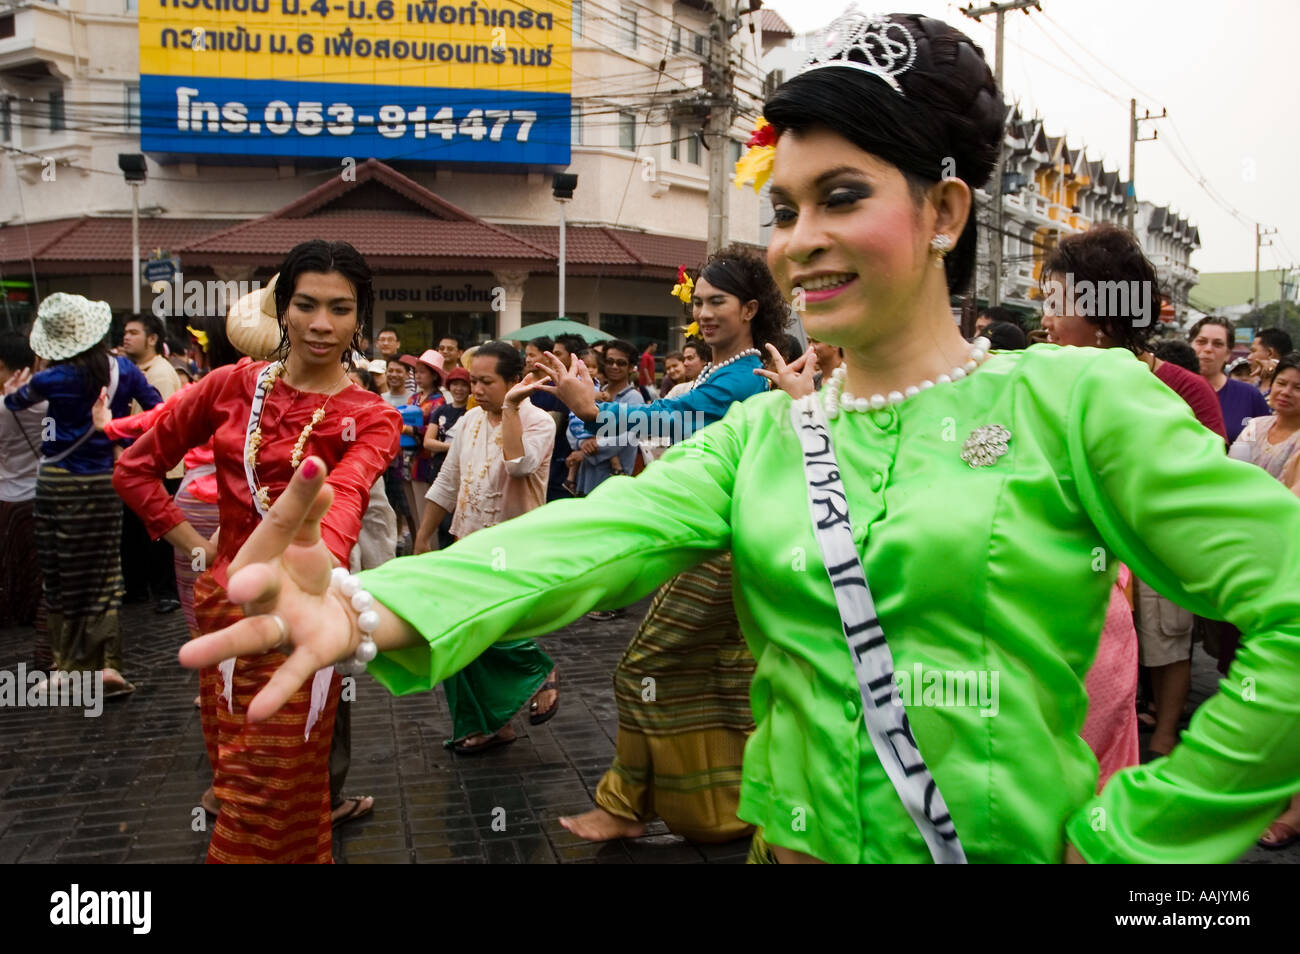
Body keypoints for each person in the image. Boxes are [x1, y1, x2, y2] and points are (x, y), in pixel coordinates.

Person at [180, 12, 1300, 865]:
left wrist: (1132, 837)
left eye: (843, 196)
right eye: (784, 206)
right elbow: (585, 537)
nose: (799, 241)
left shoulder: (1073, 404)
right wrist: (373, 609)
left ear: (946, 215)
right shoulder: (763, 437)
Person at [114, 240, 401, 863]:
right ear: (284, 310)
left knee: (271, 790)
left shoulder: (373, 415)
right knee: (235, 775)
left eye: (341, 308)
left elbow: (346, 496)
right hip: (223, 610)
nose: (322, 324)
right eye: (306, 304)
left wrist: (317, 558)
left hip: (297, 619)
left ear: (360, 318)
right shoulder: (228, 386)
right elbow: (135, 470)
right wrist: (195, 547)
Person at [534, 245, 783, 843]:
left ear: (749, 308)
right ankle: (745, 801)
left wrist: (592, 408)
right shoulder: (721, 372)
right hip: (700, 536)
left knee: (644, 666)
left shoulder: (748, 376)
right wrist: (593, 412)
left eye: (717, 301)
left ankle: (643, 806)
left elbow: (674, 423)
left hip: (725, 543)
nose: (704, 312)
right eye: (699, 302)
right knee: (720, 676)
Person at [1040, 222, 1226, 766]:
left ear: (1105, 312)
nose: (1046, 319)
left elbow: (1205, 494)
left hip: (1117, 596)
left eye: (1057, 302)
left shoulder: (1168, 392)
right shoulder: (1033, 381)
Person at [4, 293, 162, 695]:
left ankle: (66, 667)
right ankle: (108, 665)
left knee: (60, 575)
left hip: (56, 483)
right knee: (107, 572)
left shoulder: (49, 379)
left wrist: (13, 389)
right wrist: (118, 434)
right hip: (105, 482)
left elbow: (16, 400)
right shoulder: (123, 370)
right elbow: (158, 410)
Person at [412, 340, 557, 753]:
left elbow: (519, 465)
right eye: (473, 379)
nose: (475, 389)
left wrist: (510, 408)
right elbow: (447, 482)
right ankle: (488, 727)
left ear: (516, 381)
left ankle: (539, 669)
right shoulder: (469, 422)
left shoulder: (539, 422)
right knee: (458, 637)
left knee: (485, 629)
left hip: (513, 546)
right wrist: (423, 537)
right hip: (465, 541)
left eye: (487, 382)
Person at [120, 312, 184, 614]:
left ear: (153, 339)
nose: (126, 336)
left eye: (134, 332)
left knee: (159, 532)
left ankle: (166, 591)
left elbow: (161, 423)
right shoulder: (137, 369)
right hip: (142, 464)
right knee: (137, 532)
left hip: (160, 467)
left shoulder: (158, 373)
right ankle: (138, 588)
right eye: (125, 332)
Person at [0, 332, 46, 631]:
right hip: (42, 493)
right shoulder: (48, 401)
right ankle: (35, 609)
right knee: (38, 560)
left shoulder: (3, 405)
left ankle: (14, 608)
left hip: (7, 495)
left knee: (10, 560)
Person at [572, 339, 645, 496]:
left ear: (631, 367)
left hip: (614, 479)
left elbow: (627, 437)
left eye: (621, 363)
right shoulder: (596, 392)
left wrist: (593, 446)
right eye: (610, 361)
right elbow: (575, 420)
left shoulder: (634, 398)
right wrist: (581, 441)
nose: (614, 366)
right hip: (587, 476)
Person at [1189, 316, 1271, 444]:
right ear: (1190, 346)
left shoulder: (1250, 396)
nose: (1208, 349)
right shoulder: (1171, 390)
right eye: (1201, 341)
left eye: (1218, 344)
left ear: (1228, 353)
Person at [408, 349, 446, 525]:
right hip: (409, 458)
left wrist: (411, 430)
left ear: (434, 376)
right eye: (416, 372)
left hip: (427, 459)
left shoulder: (439, 401)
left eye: (423, 372)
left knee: (426, 512)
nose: (418, 376)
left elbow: (437, 429)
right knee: (414, 510)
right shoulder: (413, 398)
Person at [1248, 327, 1293, 396]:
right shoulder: (1254, 386)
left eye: (1253, 351)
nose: (1249, 357)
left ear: (1270, 353)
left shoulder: (1287, 393)